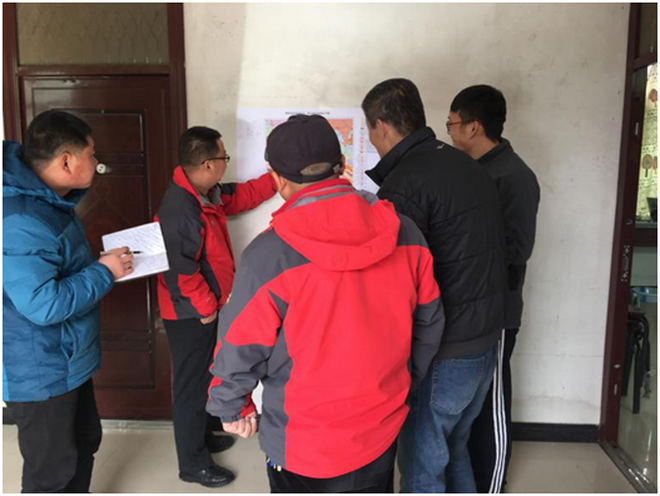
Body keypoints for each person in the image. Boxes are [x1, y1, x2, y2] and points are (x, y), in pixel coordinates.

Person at [206, 114, 445, 493]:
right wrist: (402, 381)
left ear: (277, 179)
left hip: (303, 442)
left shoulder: (268, 256)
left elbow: (240, 345)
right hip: (380, 429)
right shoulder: (405, 233)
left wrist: (230, 406)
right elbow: (429, 321)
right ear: (343, 165)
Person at [362, 78, 508, 493]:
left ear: (381, 126)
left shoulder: (404, 185)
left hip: (444, 352)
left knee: (421, 466)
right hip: (485, 342)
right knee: (454, 447)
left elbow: (398, 286)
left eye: (369, 130)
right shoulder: (467, 164)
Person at [3, 110, 133, 492]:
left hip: (65, 357)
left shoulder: (48, 202)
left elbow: (57, 269)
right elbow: (43, 304)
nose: (97, 162)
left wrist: (99, 266)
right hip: (40, 368)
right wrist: (104, 272)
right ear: (65, 162)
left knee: (83, 444)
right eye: (91, 154)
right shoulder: (22, 219)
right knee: (51, 472)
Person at [156, 125, 277, 488]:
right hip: (190, 313)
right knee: (191, 387)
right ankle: (192, 464)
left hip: (207, 308)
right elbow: (181, 272)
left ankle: (206, 431)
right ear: (208, 164)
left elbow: (241, 196)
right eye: (224, 156)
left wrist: (277, 179)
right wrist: (206, 307)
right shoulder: (180, 209)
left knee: (209, 373)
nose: (227, 161)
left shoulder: (205, 194)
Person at [448, 84, 540, 493]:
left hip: (497, 309)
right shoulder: (471, 170)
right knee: (470, 401)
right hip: (469, 305)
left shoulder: (514, 176)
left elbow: (518, 249)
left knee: (493, 398)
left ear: (473, 126)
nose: (450, 131)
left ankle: (492, 482)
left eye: (451, 124)